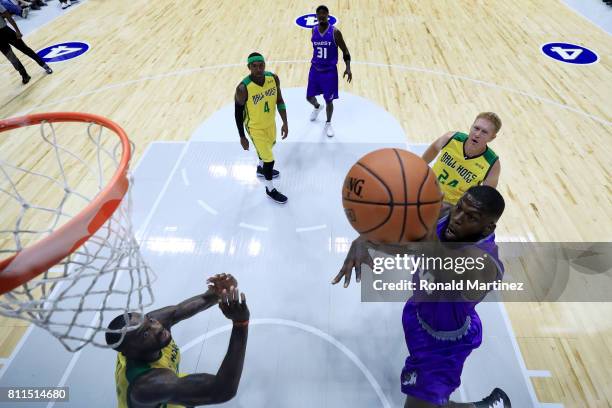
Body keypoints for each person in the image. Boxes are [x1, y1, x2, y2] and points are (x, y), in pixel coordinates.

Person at [333, 186, 512, 408]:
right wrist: (366, 239)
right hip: (417, 314)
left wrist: (423, 230)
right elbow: (406, 244)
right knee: (429, 402)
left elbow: (442, 264)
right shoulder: (444, 216)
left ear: (487, 228)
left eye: (471, 217)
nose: (457, 218)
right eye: (459, 208)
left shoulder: (484, 264)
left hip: (444, 347)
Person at [106, 274, 249, 408]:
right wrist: (240, 324)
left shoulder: (149, 326)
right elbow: (223, 390)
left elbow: (180, 309)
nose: (157, 327)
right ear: (130, 352)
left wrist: (219, 293)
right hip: (155, 391)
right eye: (145, 334)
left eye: (149, 320)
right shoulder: (146, 385)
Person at [234, 52, 289, 204]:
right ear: (249, 67)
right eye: (254, 66)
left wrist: (285, 122)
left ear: (264, 65)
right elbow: (237, 114)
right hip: (255, 128)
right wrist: (242, 136)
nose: (258, 69)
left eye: (261, 65)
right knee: (269, 159)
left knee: (269, 147)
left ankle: (260, 168)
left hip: (270, 123)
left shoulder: (273, 78)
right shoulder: (243, 88)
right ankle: (270, 189)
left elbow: (279, 100)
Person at [422, 113, 501, 214]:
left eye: (484, 132)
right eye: (476, 128)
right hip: (427, 191)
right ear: (471, 126)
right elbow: (433, 149)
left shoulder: (492, 164)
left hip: (453, 208)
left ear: (492, 138)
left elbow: (486, 197)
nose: (477, 134)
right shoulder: (451, 138)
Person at [306, 4, 352, 138]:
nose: (321, 16)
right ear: (316, 16)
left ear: (327, 15)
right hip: (315, 69)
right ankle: (316, 107)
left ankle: (328, 123)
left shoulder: (335, 32)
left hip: (329, 72)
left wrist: (348, 67)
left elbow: (345, 51)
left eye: (323, 13)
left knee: (329, 100)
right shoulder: (313, 30)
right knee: (309, 97)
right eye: (318, 14)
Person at [0, 3, 52, 84]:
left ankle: (45, 66)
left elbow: (8, 16)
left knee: (25, 49)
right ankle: (24, 75)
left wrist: (17, 31)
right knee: (12, 58)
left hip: (6, 31)